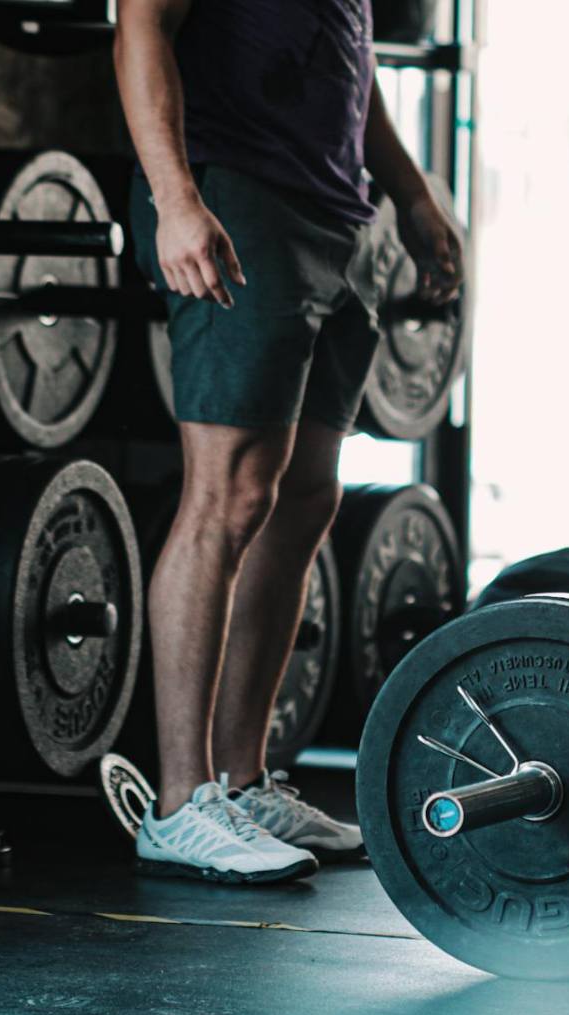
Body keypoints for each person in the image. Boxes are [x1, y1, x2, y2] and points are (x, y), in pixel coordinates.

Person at [114, 0, 463, 883]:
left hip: (336, 211)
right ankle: (181, 803)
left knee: (307, 494)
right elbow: (140, 27)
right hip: (235, 192)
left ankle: (244, 779)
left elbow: (355, 68)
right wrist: (176, 199)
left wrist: (413, 194)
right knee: (227, 496)